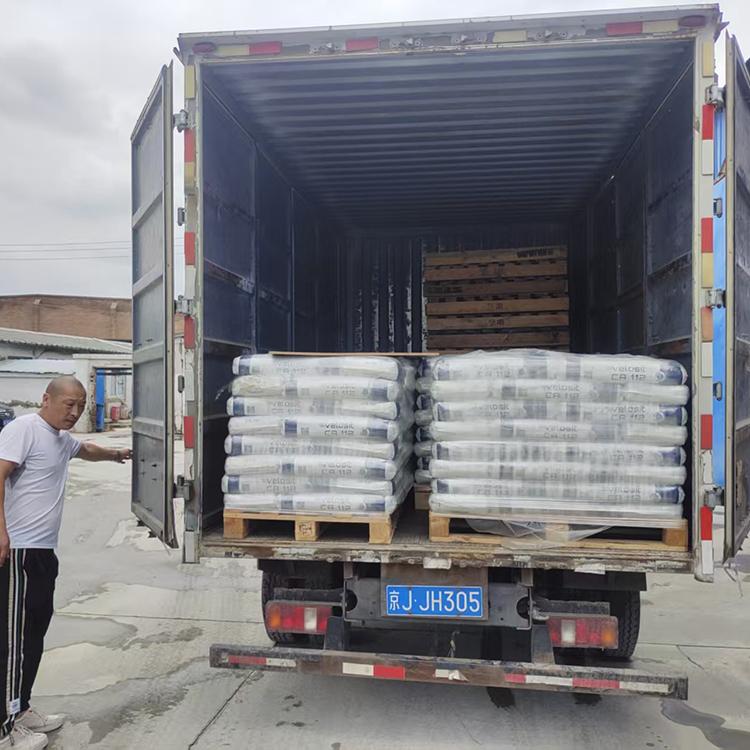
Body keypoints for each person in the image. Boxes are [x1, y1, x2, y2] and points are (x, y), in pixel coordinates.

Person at [0, 376, 131, 750]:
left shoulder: (59, 437)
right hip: (19, 551)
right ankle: (4, 729)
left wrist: (115, 454)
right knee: (13, 642)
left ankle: (21, 708)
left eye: (81, 406)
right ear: (46, 399)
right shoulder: (24, 429)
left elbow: (83, 448)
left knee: (34, 635)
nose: (74, 412)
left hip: (43, 552)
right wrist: (1, 532)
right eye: (68, 404)